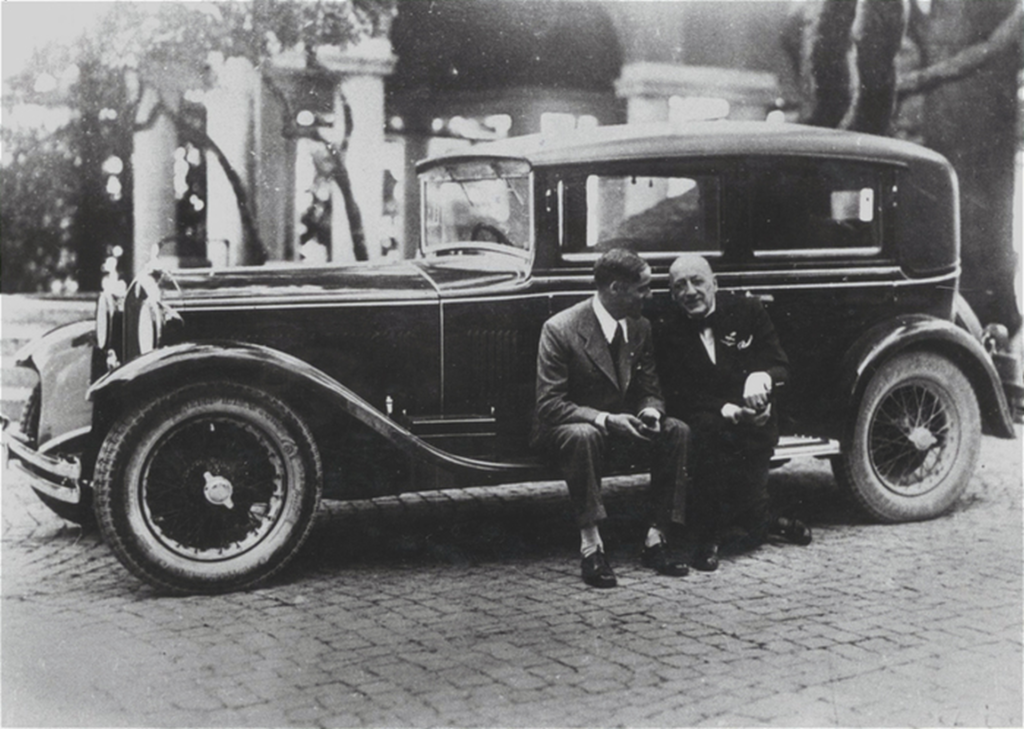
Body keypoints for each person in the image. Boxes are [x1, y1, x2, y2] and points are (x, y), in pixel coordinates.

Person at [531, 248, 691, 588]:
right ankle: (592, 546)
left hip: (622, 429)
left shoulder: (640, 327)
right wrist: (605, 419)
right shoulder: (560, 329)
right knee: (583, 435)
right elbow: (550, 404)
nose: (650, 295)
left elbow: (651, 387)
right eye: (643, 288)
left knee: (676, 430)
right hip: (570, 434)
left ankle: (656, 537)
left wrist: (650, 412)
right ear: (616, 288)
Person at [657, 253, 812, 572]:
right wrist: (724, 409)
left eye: (697, 281)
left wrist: (764, 377)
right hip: (707, 423)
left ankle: (764, 520)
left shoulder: (748, 311)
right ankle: (709, 538)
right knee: (708, 437)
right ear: (673, 294)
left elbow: (781, 366)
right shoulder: (667, 329)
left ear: (715, 283)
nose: (689, 291)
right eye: (679, 286)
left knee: (750, 527)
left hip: (755, 425)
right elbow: (676, 391)